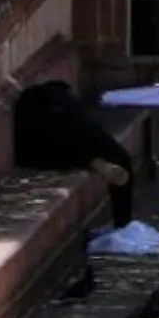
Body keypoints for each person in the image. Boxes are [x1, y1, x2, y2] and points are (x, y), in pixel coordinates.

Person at [13, 80, 137, 227]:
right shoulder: (55, 108)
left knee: (91, 143)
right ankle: (123, 221)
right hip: (54, 148)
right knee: (101, 148)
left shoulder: (56, 107)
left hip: (62, 146)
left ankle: (94, 161)